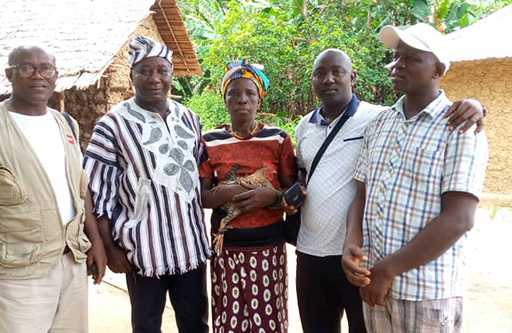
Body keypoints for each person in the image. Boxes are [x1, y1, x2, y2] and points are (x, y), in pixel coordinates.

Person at [292, 46, 486, 332]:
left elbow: (459, 217)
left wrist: (476, 106)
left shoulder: (375, 118)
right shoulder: (306, 126)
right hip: (316, 252)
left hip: (365, 263)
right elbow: (309, 176)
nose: (328, 79)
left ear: (352, 77)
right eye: (319, 74)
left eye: (337, 72)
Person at [341, 23, 488, 332]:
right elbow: (361, 195)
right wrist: (351, 243)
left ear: (437, 69)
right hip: (375, 284)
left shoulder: (460, 128)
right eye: (396, 57)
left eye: (411, 58)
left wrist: (387, 271)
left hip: (425, 293)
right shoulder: (380, 123)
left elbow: (459, 219)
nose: (398, 65)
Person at [0, 45, 107, 333]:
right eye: (26, 68)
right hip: (17, 272)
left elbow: (79, 189)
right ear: (9, 74)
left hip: (71, 263)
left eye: (46, 69)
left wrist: (94, 240)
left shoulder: (65, 124)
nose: (38, 76)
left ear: (56, 75)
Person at [84, 36, 211, 333]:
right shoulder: (112, 125)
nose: (154, 78)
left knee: (196, 324)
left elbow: (201, 178)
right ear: (131, 76)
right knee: (146, 326)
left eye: (162, 71)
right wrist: (110, 248)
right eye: (144, 71)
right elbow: (95, 193)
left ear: (172, 76)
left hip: (190, 248)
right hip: (141, 253)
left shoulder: (190, 119)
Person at [200, 60, 297, 333]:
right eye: (234, 93)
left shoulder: (278, 139)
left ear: (259, 100)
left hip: (269, 245)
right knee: (229, 320)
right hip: (226, 247)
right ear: (225, 100)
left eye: (249, 93)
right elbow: (203, 197)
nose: (242, 99)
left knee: (268, 321)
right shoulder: (210, 141)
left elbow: (292, 194)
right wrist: (234, 190)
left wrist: (271, 197)